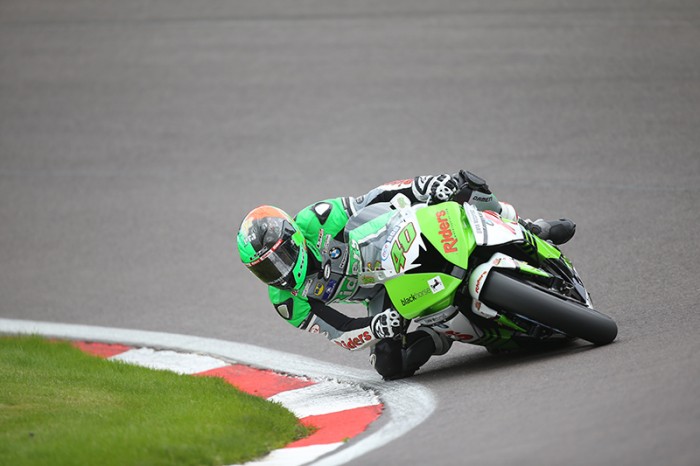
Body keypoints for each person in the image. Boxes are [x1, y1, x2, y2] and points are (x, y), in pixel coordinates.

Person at [236, 171, 575, 380]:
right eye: (266, 268)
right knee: (390, 365)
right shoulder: (285, 302)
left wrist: (425, 187)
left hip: (390, 236)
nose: (279, 270)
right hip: (380, 291)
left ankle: (529, 227)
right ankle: (441, 332)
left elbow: (374, 197)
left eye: (280, 256)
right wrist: (376, 327)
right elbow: (338, 330)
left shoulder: (316, 219)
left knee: (467, 188)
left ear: (294, 238)